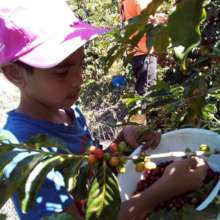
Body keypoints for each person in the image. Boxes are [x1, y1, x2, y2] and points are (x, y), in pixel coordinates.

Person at [0, 0, 207, 219]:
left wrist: (120, 145)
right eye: (61, 72)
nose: (78, 80)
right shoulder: (23, 154)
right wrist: (160, 192)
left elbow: (88, 174)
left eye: (81, 64)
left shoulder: (69, 112)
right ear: (15, 74)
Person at [120, 0, 167, 95]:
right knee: (148, 93)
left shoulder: (124, 2)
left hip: (136, 52)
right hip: (144, 51)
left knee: (143, 91)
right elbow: (148, 21)